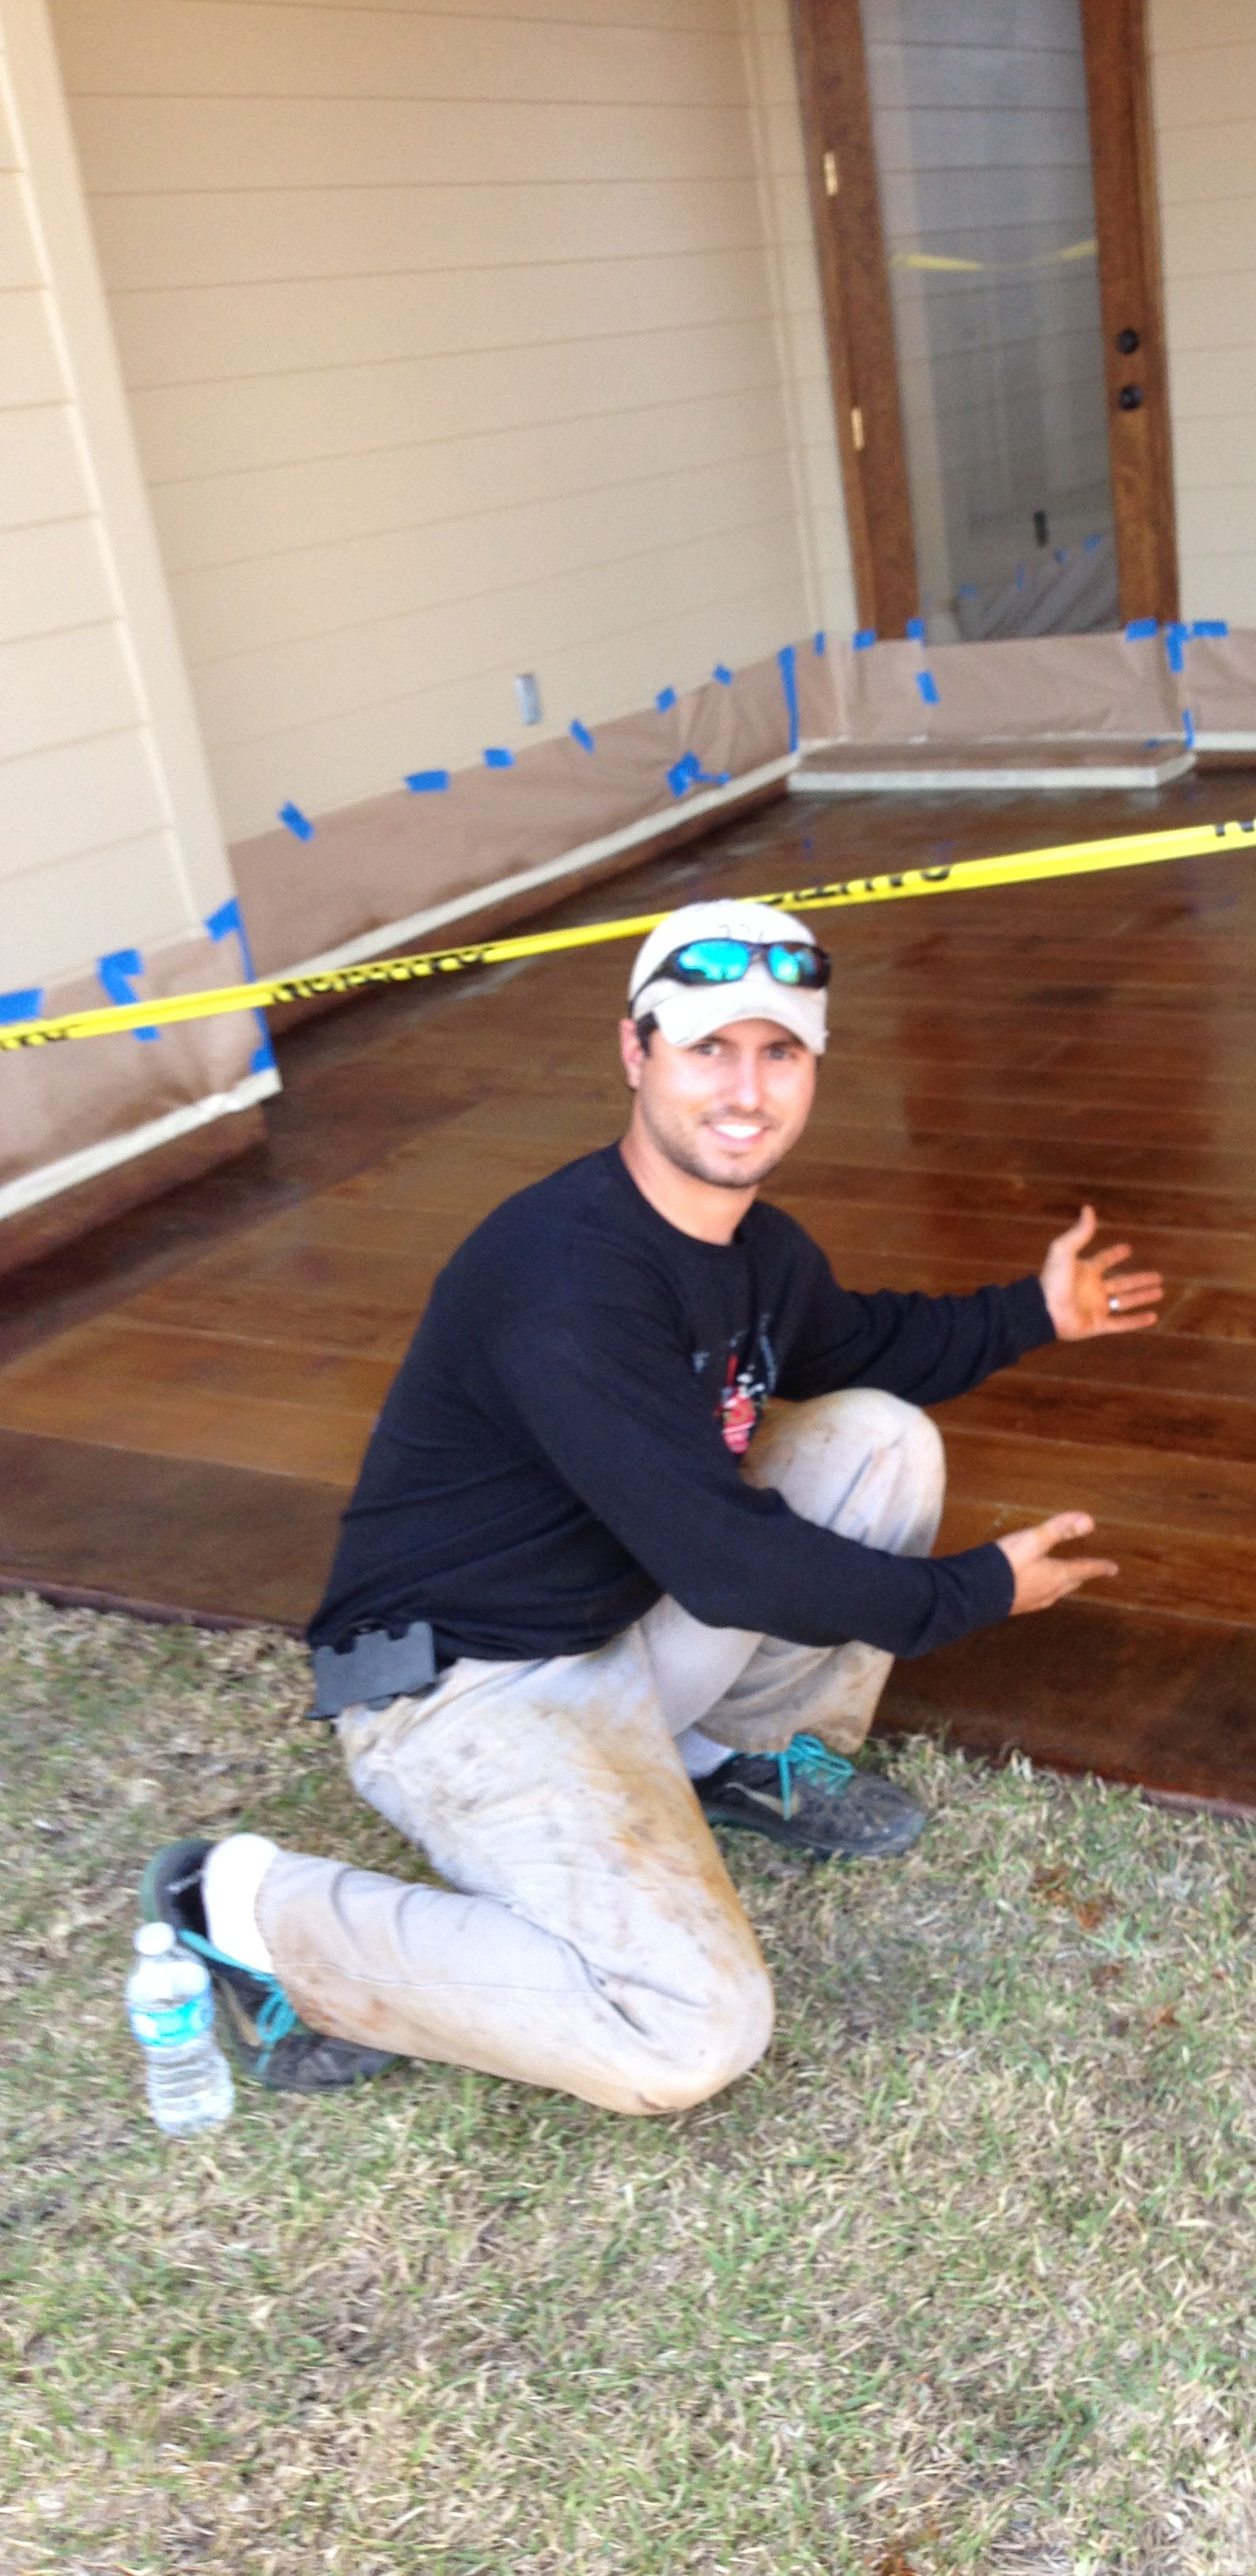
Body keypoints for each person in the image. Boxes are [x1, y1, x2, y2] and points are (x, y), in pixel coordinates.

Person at [138, 898, 1163, 2116]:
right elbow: (730, 1567)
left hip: (617, 1626)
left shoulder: (757, 1249)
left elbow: (862, 1340)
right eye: (707, 1049)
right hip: (467, 1691)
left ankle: (727, 1758)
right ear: (636, 1054)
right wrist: (974, 1592)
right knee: (686, 2035)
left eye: (779, 1052)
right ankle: (240, 1905)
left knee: (879, 1438)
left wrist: (1032, 1313)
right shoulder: (565, 1279)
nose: (746, 1089)